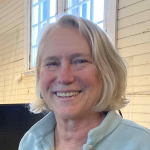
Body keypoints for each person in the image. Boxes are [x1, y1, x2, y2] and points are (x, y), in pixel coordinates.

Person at [19, 15, 150, 150]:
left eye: (80, 61)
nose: (64, 78)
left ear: (107, 72)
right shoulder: (29, 142)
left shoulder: (142, 144)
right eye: (52, 63)